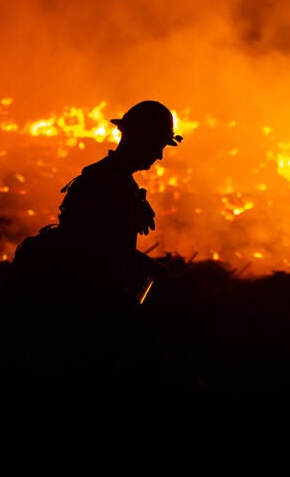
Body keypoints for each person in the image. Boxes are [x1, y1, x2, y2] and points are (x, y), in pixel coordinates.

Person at [10, 100, 182, 394]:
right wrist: (141, 277)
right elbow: (88, 254)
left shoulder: (120, 183)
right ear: (138, 139)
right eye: (157, 145)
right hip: (83, 316)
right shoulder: (100, 185)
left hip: (102, 307)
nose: (159, 155)